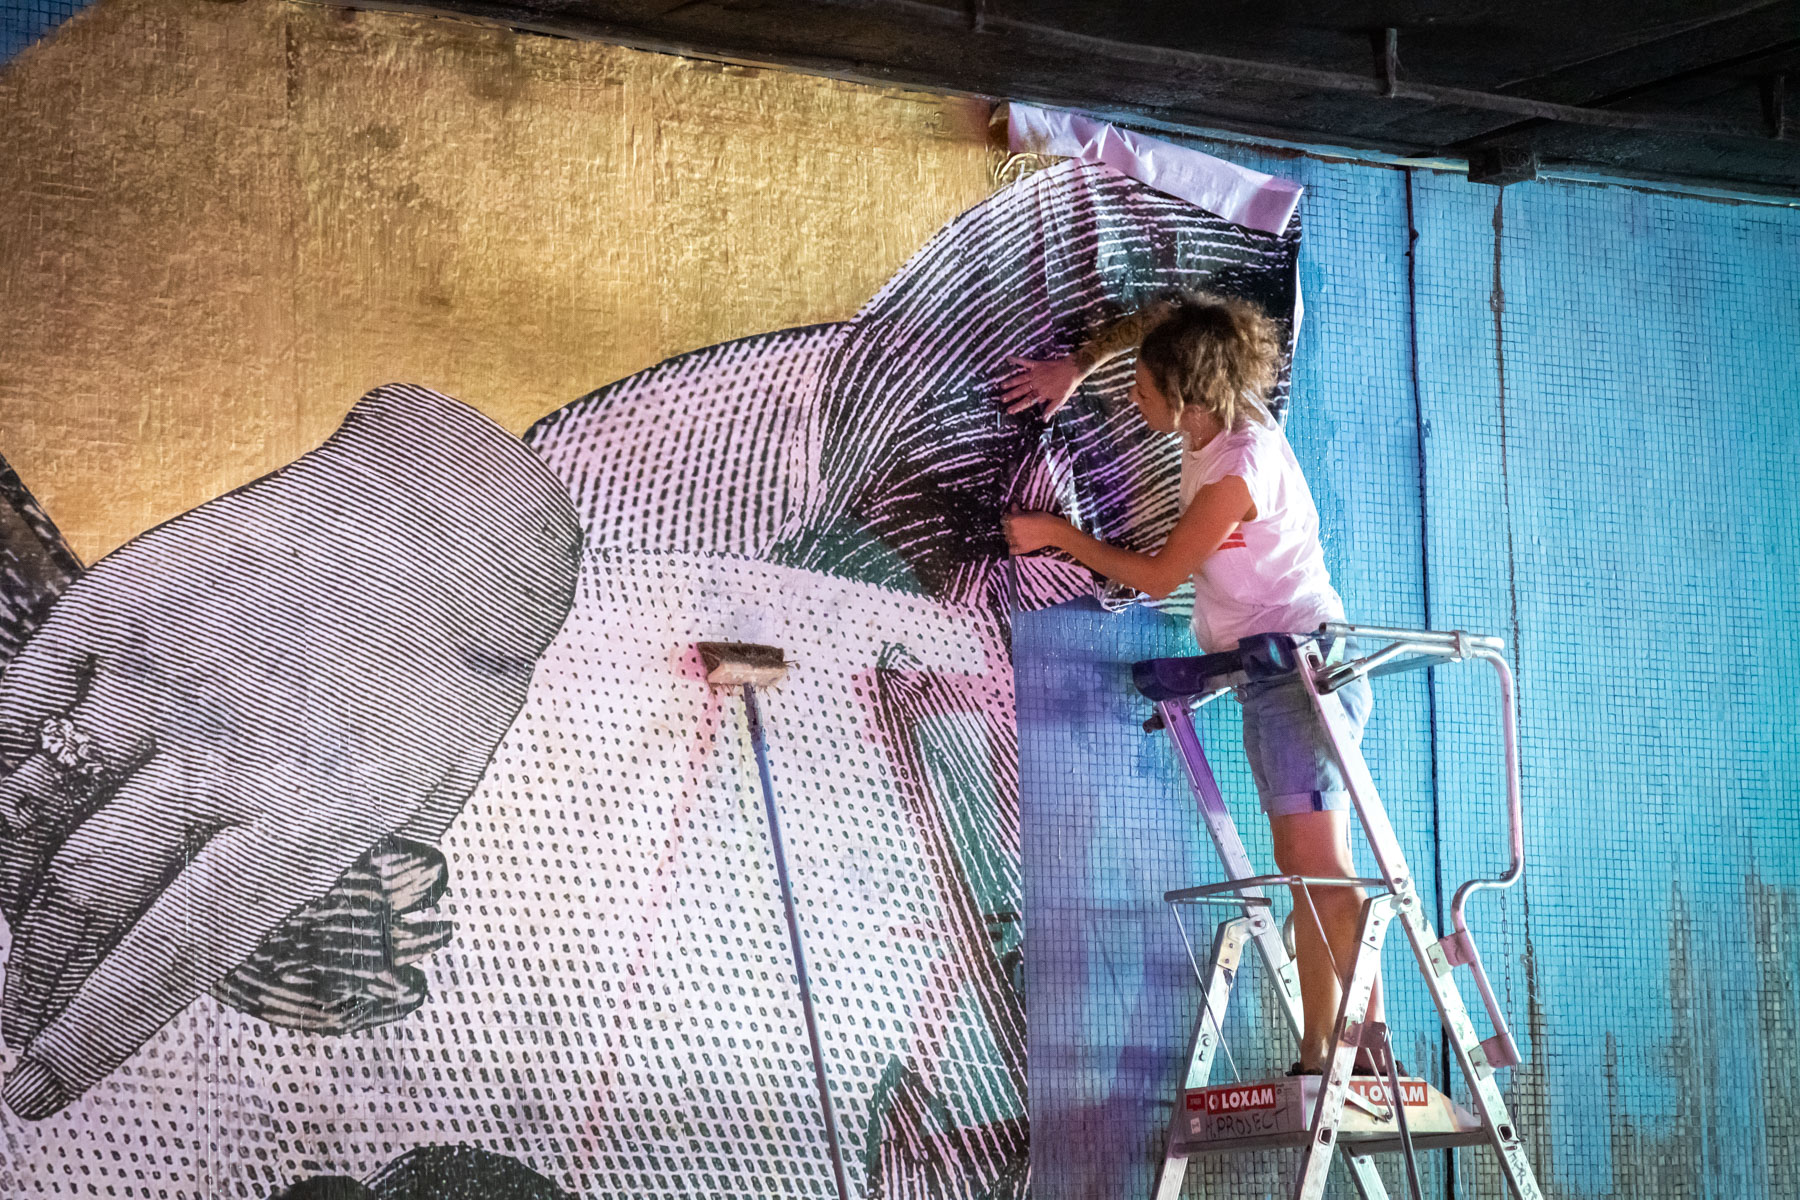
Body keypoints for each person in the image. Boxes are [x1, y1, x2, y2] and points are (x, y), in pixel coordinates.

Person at [1000, 290, 1382, 1075]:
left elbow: (1157, 576)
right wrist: (1077, 366)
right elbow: (1168, 321)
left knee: (1323, 871)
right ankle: (1323, 1054)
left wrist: (1055, 536)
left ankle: (1368, 1050)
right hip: (1270, 675)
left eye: (1142, 389)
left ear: (1185, 396)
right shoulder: (1221, 402)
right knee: (1301, 873)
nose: (1133, 399)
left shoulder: (1237, 470)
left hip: (1302, 675)